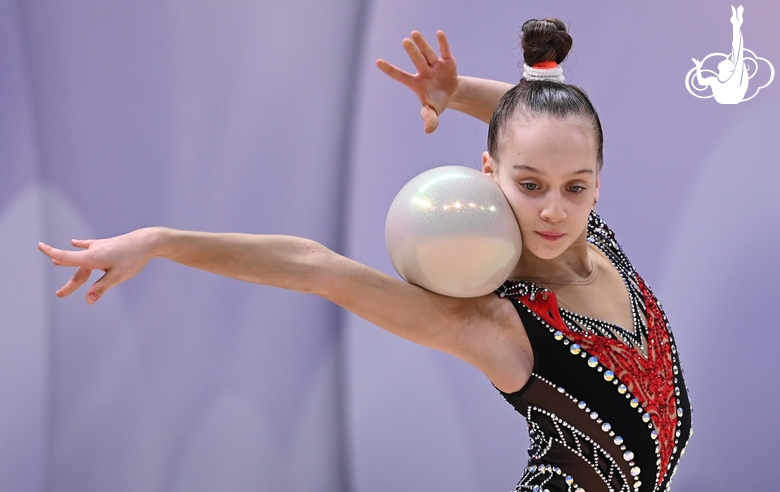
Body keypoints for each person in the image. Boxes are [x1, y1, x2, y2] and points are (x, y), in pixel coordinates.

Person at [39, 18, 691, 492]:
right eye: (528, 187)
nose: (553, 209)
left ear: (597, 182)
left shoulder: (592, 234)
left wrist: (458, 91)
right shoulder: (499, 329)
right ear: (489, 173)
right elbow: (315, 268)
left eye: (575, 187)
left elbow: (552, 126)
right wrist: (161, 242)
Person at [692, 5, 748, 104]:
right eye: (728, 61)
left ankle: (736, 23)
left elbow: (737, 49)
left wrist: (698, 68)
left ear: (729, 69)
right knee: (737, 51)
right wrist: (698, 67)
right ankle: (736, 23)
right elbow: (701, 82)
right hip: (729, 97)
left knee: (737, 50)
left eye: (727, 61)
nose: (725, 59)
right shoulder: (715, 80)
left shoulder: (733, 77)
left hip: (732, 96)